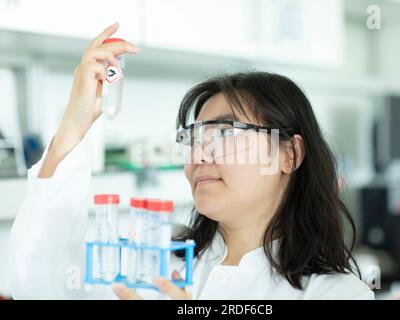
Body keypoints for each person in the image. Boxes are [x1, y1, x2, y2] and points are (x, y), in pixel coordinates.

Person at [7, 23, 374, 300]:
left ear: (288, 154)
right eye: (193, 139)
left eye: (224, 135)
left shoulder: (336, 294)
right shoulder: (156, 266)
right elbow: (43, 283)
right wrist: (75, 125)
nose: (198, 155)